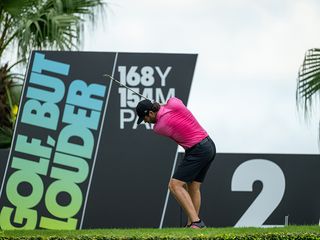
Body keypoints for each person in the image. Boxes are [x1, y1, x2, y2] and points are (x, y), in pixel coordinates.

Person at [135, 97, 216, 229]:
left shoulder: (160, 127)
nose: (145, 121)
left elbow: (161, 114)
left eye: (145, 118)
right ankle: (192, 224)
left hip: (198, 150)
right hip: (209, 145)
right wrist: (157, 104)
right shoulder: (174, 103)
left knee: (174, 185)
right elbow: (170, 101)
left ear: (150, 113)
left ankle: (196, 222)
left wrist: (157, 106)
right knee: (193, 187)